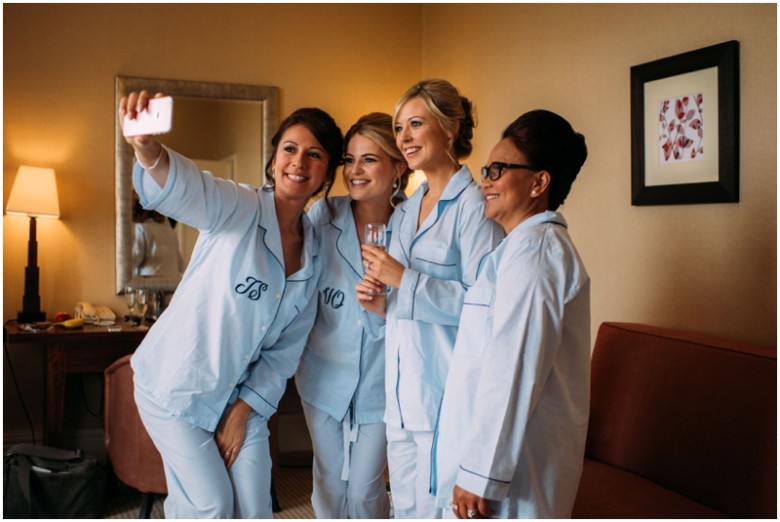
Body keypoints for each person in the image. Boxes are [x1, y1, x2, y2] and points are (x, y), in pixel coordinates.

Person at [120, 90, 344, 518]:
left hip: (241, 398)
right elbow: (190, 189)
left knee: (254, 509)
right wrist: (148, 150)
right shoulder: (238, 206)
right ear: (274, 159)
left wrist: (243, 411)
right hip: (176, 385)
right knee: (212, 506)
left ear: (327, 173)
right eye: (290, 149)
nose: (299, 162)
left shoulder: (316, 251)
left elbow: (284, 350)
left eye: (314, 155)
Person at [358, 79, 505, 519]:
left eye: (415, 124)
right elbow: (405, 307)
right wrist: (380, 305)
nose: (403, 138)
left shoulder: (477, 208)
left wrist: (404, 278)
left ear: (450, 127)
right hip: (400, 400)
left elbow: (486, 306)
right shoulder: (404, 211)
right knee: (405, 510)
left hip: (445, 398)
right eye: (399, 128)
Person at [435, 109, 590, 519]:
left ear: (539, 182)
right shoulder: (518, 249)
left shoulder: (536, 253)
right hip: (500, 459)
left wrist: (480, 473)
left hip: (516, 473)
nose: (487, 179)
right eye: (487, 168)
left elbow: (513, 367)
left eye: (500, 168)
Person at [296, 112, 411, 518]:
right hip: (323, 378)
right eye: (349, 159)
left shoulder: (415, 226)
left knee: (364, 492)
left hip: (383, 383)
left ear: (399, 166)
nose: (354, 171)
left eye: (369, 160)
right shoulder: (322, 216)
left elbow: (424, 307)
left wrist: (385, 310)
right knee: (329, 486)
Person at [132, 203, 184, 278]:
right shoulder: (170, 231)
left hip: (151, 282)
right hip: (171, 282)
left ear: (143, 213)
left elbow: (135, 258)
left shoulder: (142, 228)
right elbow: (180, 264)